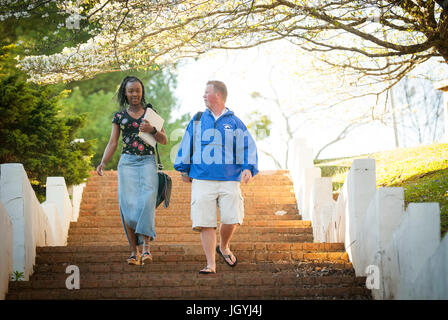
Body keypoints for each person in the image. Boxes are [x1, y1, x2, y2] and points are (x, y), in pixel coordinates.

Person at [174, 80, 258, 274]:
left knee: (232, 217)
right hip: (202, 178)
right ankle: (210, 264)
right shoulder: (197, 119)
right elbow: (187, 143)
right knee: (205, 221)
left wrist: (248, 168)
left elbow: (247, 146)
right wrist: (183, 168)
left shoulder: (235, 122)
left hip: (230, 177)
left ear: (218, 95)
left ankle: (224, 246)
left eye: (207, 92)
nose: (203, 96)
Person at [96, 76, 168, 265]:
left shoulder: (151, 113)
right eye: (130, 91)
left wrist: (152, 129)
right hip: (127, 162)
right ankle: (133, 251)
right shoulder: (119, 116)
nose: (134, 94)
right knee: (127, 206)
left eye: (137, 90)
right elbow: (113, 142)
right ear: (125, 93)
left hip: (147, 161)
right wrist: (103, 163)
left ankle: (146, 249)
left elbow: (164, 140)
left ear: (141, 91)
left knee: (147, 200)